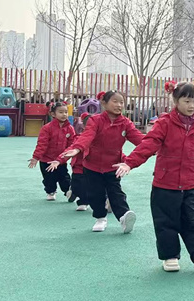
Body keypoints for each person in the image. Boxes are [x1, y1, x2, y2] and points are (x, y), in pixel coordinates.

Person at [115, 82, 194, 272]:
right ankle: (170, 257)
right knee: (166, 222)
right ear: (176, 100)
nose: (192, 106)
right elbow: (148, 144)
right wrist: (129, 162)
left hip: (190, 184)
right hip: (165, 184)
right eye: (187, 101)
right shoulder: (165, 123)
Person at [60, 90, 144, 234]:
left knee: (116, 193)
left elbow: (140, 139)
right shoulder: (95, 120)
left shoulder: (125, 123)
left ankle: (124, 217)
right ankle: (100, 218)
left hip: (113, 165)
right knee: (95, 194)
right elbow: (87, 136)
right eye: (115, 101)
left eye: (121, 102)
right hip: (92, 166)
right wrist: (78, 149)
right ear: (104, 103)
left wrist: (155, 146)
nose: (119, 105)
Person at [28, 100, 74, 201]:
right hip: (47, 160)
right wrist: (36, 157)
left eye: (66, 112)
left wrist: (66, 156)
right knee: (49, 178)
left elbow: (71, 145)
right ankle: (51, 191)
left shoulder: (70, 129)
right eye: (61, 112)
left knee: (64, 177)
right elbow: (42, 144)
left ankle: (68, 192)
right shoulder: (47, 128)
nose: (64, 114)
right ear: (53, 114)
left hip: (60, 160)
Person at [69, 113, 93, 211]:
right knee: (77, 185)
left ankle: (84, 202)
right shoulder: (78, 138)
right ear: (83, 126)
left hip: (92, 167)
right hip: (78, 167)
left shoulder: (101, 139)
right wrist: (59, 159)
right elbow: (71, 148)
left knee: (95, 186)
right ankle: (74, 192)